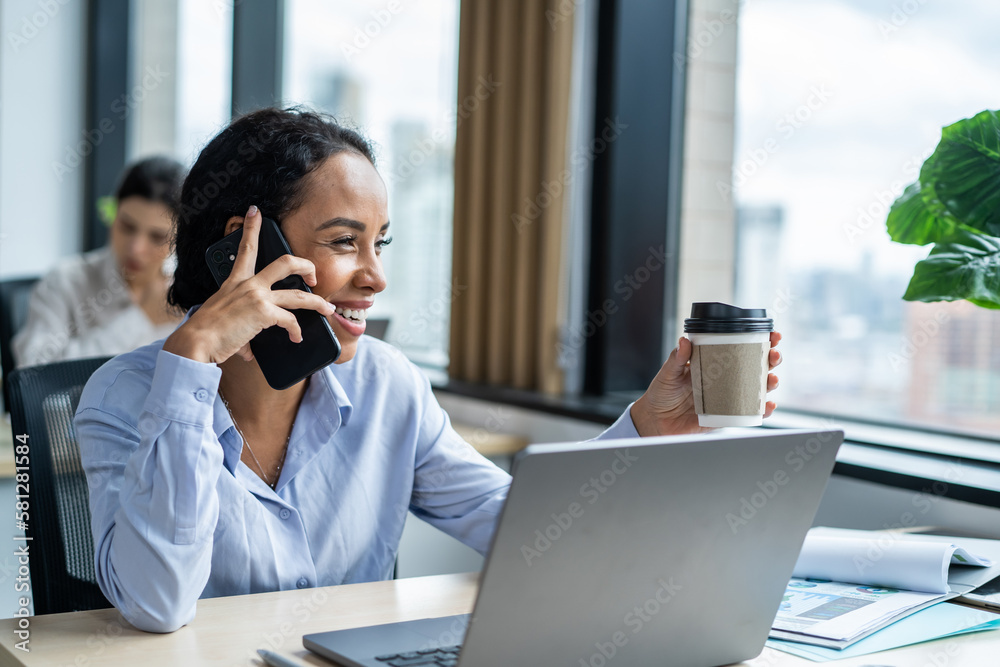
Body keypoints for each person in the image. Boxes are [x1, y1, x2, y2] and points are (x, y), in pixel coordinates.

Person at [75, 108, 782, 633]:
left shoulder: (385, 384)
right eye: (345, 242)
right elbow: (158, 602)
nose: (375, 276)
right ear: (244, 251)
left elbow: (532, 529)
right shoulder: (124, 397)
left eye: (379, 243)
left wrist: (646, 428)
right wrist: (193, 360)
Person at [12, 156, 186, 368]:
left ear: (179, 239)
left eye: (157, 237)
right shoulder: (65, 281)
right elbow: (32, 372)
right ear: (113, 215)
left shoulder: (186, 300)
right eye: (127, 226)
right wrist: (141, 318)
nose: (136, 248)